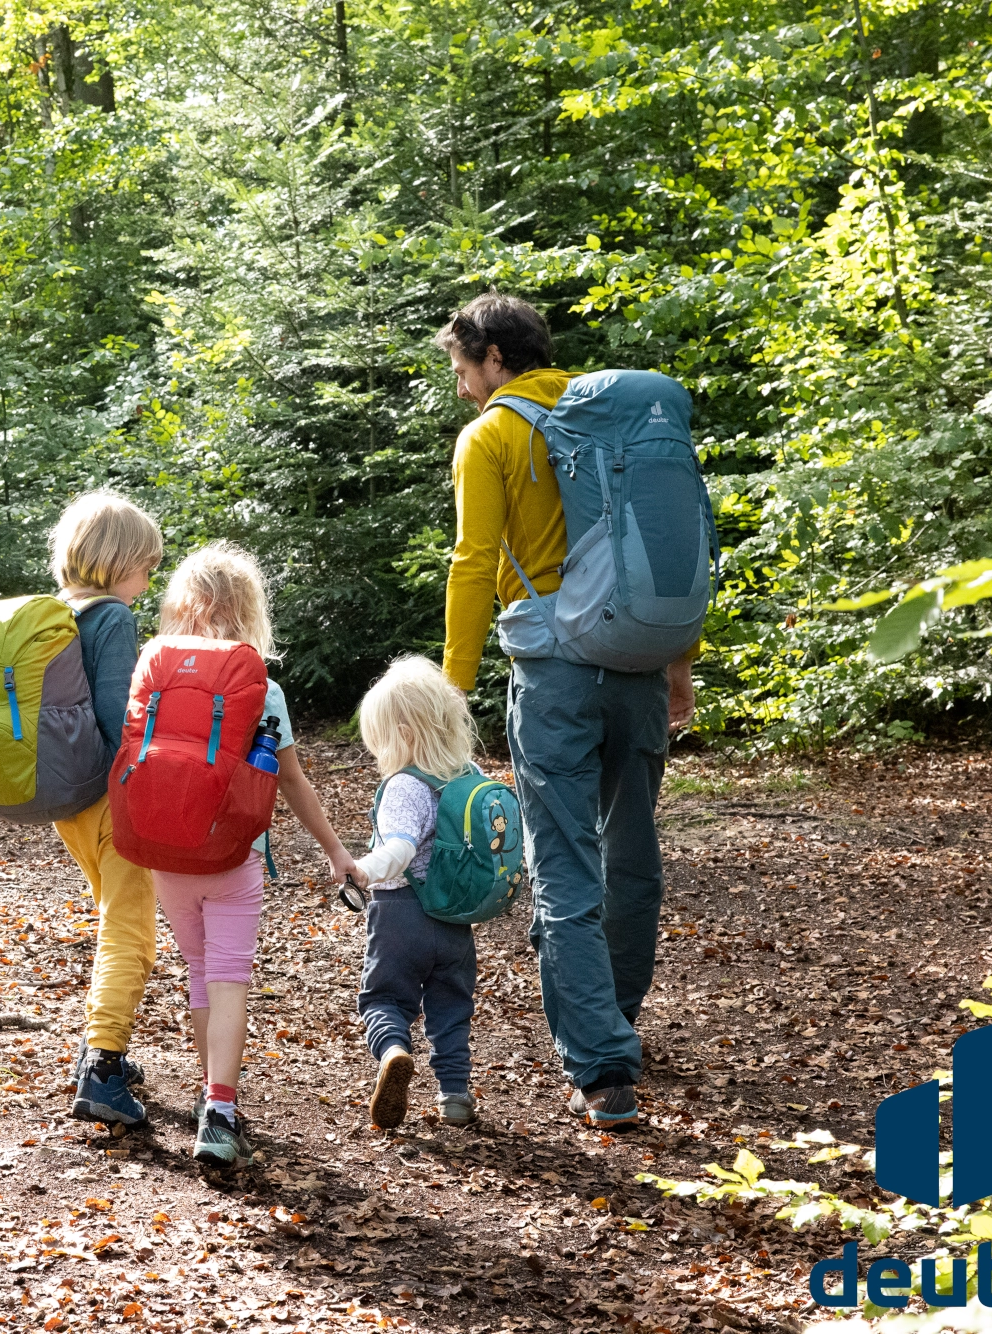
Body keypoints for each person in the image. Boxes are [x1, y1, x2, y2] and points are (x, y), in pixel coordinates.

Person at [437, 292, 695, 1131]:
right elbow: (669, 541)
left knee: (563, 867)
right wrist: (677, 667)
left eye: (463, 367)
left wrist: (451, 687)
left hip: (554, 673)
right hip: (640, 665)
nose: (462, 386)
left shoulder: (495, 436)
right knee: (634, 849)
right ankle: (617, 1014)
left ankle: (602, 1066)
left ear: (494, 358)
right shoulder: (613, 425)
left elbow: (475, 562)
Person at [144, 542, 361, 1168]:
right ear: (248, 609)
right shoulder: (261, 686)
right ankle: (220, 1109)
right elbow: (290, 781)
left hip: (164, 853)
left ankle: (208, 1092)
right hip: (233, 854)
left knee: (197, 970)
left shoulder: (153, 669)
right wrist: (335, 851)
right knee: (229, 974)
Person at [46, 491, 165, 1129]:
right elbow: (126, 717)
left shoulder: (53, 613)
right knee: (131, 934)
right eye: (145, 567)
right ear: (118, 562)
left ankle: (98, 1046)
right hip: (109, 796)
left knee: (113, 920)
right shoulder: (112, 617)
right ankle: (103, 1066)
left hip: (64, 798)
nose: (146, 583)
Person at [348, 656, 480, 1130]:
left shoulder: (405, 785)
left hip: (401, 913)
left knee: (384, 999)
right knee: (451, 1006)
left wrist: (362, 870)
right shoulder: (467, 776)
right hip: (455, 919)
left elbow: (400, 849)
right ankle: (455, 1095)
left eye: (380, 739)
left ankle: (394, 1052)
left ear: (403, 734)